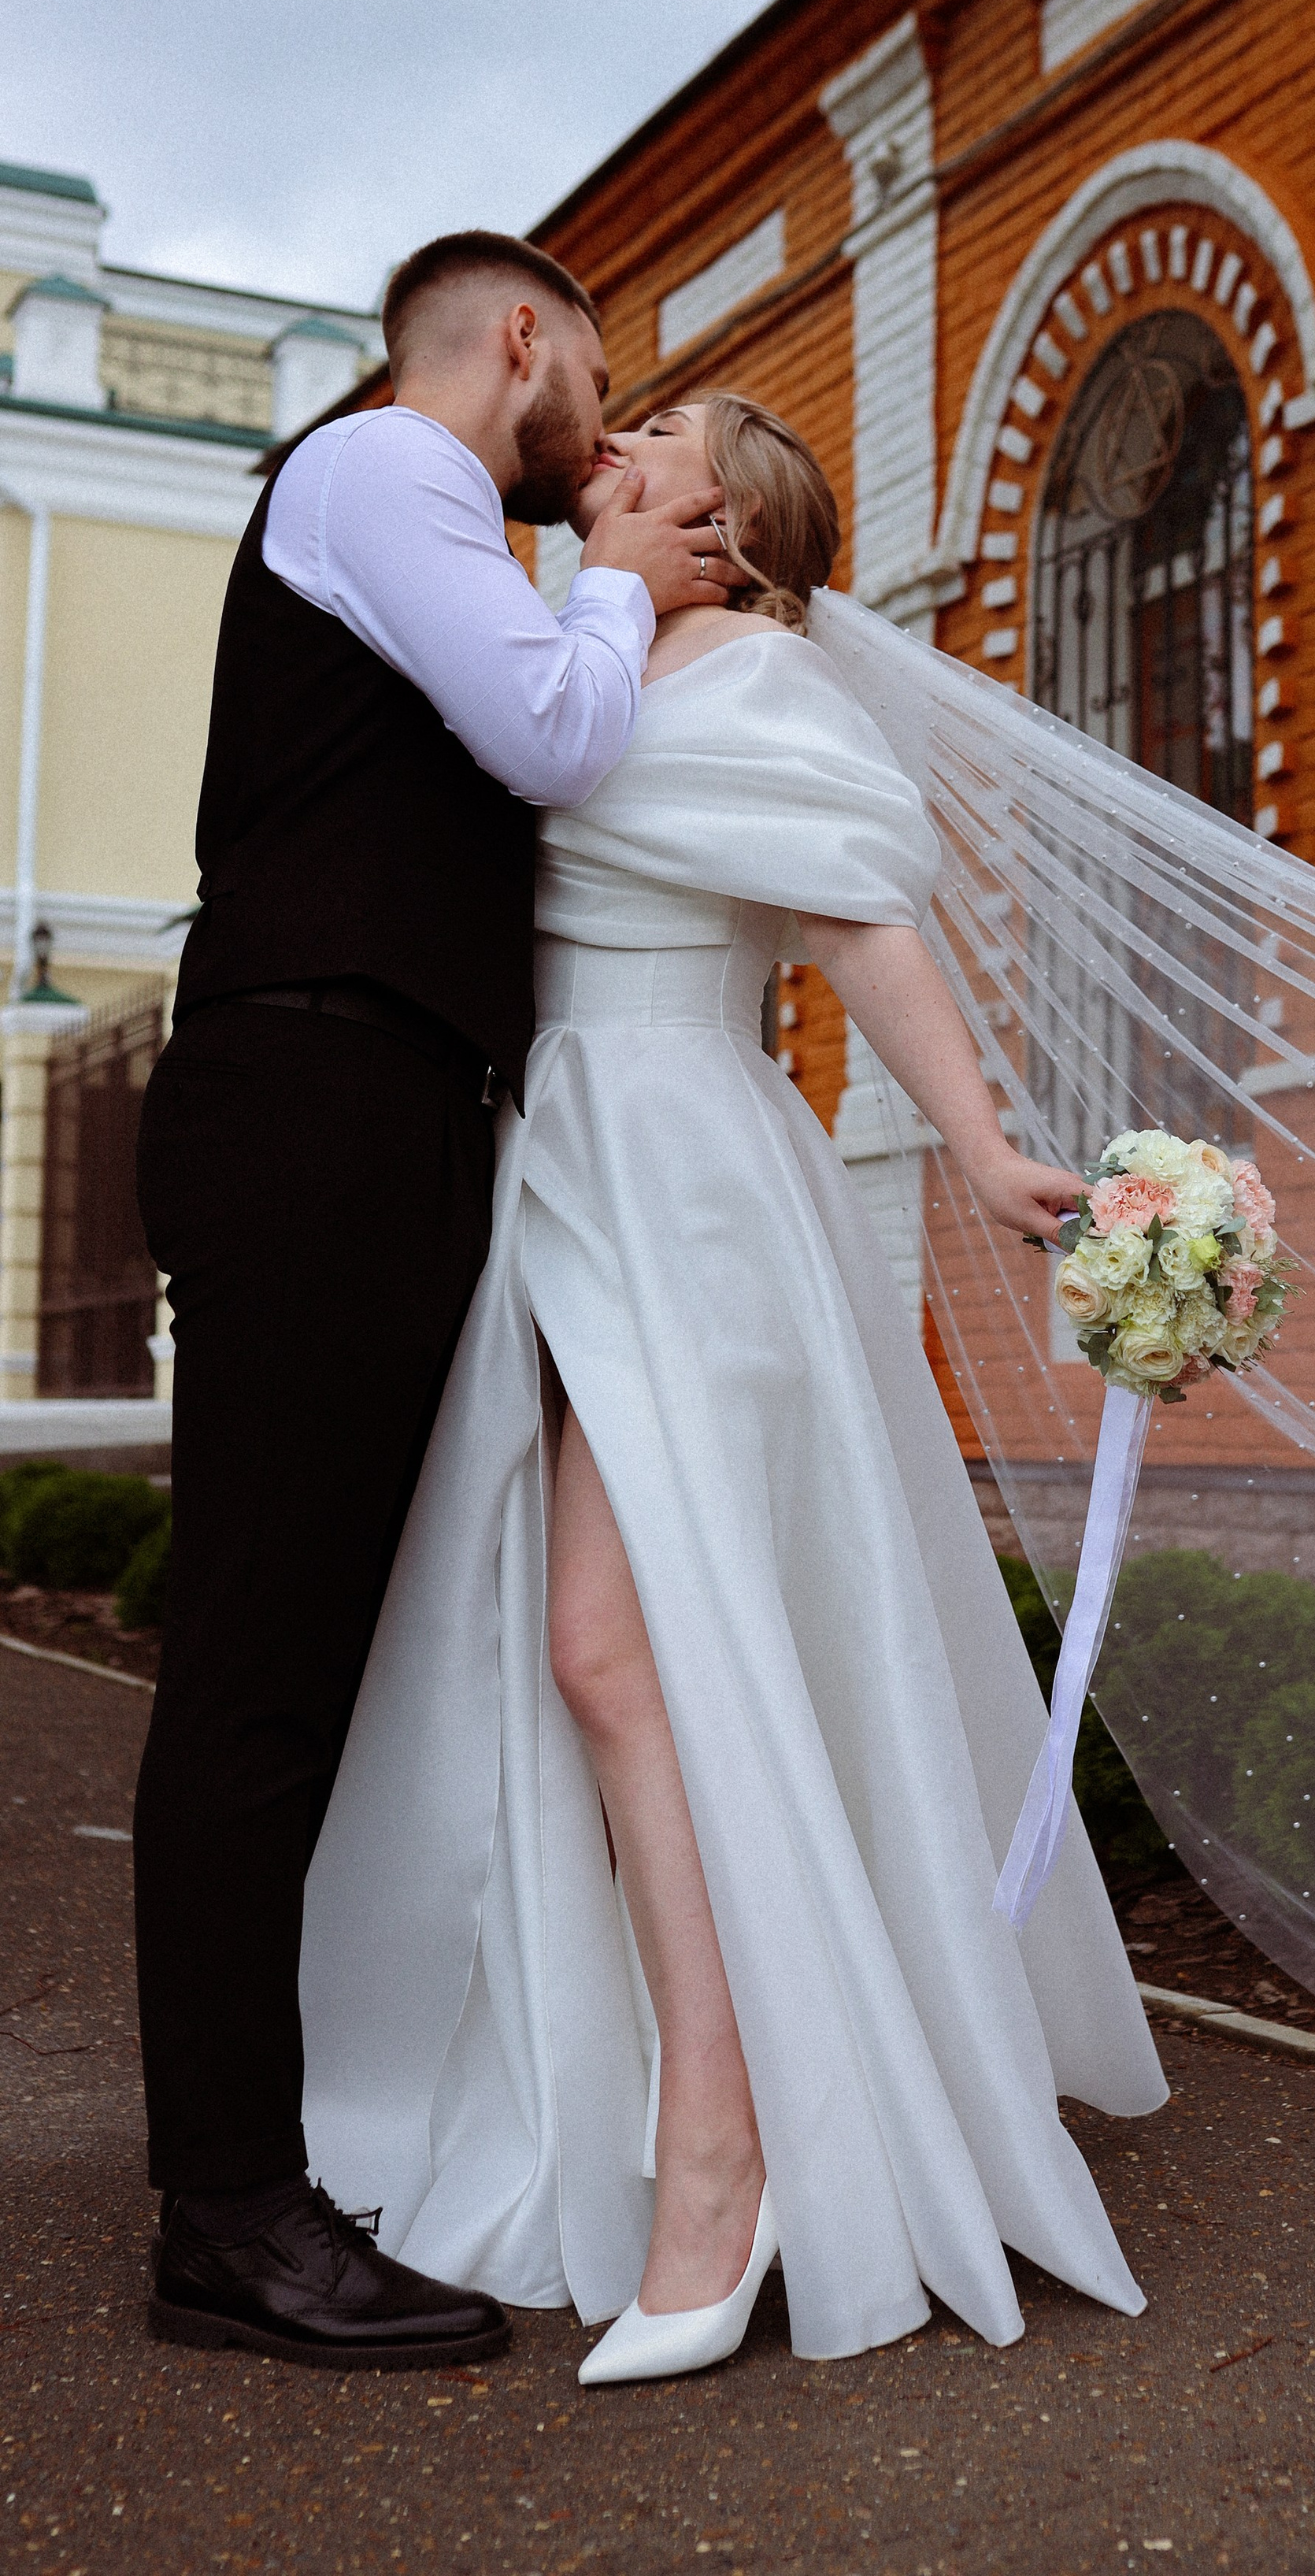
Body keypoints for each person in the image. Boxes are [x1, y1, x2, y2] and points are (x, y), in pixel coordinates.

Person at [298, 391, 1168, 2378]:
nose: (610, 432)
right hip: (575, 1167)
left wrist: (970, 1140)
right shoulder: (582, 650)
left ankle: (725, 2142)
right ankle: (707, 2110)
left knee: (615, 1653)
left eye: (661, 430)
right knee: (605, 1655)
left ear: (732, 516)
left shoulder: (751, 673)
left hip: (683, 1174)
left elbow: (863, 915)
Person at [135, 233, 738, 2370]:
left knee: (298, 1664)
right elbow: (556, 735)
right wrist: (625, 589)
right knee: (257, 1675)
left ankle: (253, 2164)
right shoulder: (393, 469)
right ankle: (227, 2212)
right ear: (519, 342)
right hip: (316, 1102)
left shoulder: (425, 515)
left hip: (376, 1112)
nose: (604, 412)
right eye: (596, 369)